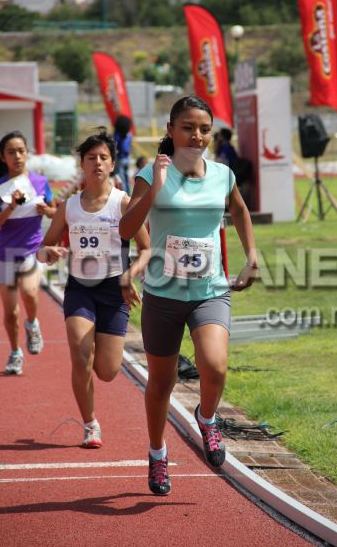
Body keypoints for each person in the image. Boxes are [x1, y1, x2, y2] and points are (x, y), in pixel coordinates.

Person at [119, 95, 259, 495]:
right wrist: (155, 190)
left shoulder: (223, 174)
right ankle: (157, 453)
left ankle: (207, 418)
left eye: (204, 129)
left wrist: (251, 256)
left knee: (215, 366)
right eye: (188, 128)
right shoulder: (150, 174)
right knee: (160, 384)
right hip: (163, 295)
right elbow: (126, 230)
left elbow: (240, 210)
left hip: (209, 291)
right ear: (170, 130)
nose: (197, 136)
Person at [37, 130, 150, 448]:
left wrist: (130, 275)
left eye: (103, 158)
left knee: (107, 371)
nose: (97, 163)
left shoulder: (123, 202)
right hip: (80, 289)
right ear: (82, 165)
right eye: (91, 158)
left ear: (112, 164)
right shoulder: (69, 207)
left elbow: (147, 249)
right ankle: (90, 424)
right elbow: (43, 250)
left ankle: (102, 347)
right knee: (80, 353)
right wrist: (49, 253)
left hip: (114, 290)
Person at [0, 131, 56, 375]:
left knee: (29, 292)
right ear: (3, 158)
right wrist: (10, 208)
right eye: (11, 152)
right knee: (10, 312)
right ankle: (15, 353)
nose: (17, 156)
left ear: (27, 153)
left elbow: (54, 212)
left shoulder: (40, 181)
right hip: (5, 253)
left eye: (21, 151)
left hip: (30, 248)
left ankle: (33, 323)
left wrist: (46, 210)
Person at [113, 115, 133, 195]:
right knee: (126, 177)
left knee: (121, 178)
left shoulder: (117, 136)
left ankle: (123, 194)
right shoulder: (129, 135)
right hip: (127, 158)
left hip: (119, 159)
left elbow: (115, 147)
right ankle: (129, 193)